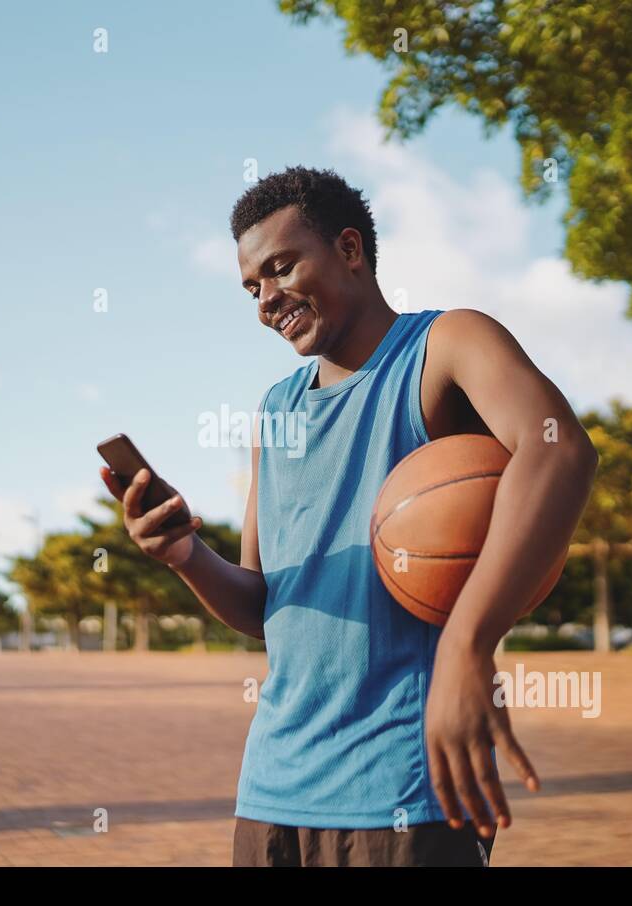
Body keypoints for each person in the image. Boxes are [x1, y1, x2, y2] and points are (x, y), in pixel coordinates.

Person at [99, 166, 597, 866]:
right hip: (273, 792)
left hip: (407, 785)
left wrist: (467, 644)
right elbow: (263, 602)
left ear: (351, 249)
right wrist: (184, 555)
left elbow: (560, 450)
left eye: (281, 268)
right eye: (251, 287)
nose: (267, 299)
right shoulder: (276, 411)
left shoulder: (447, 345)